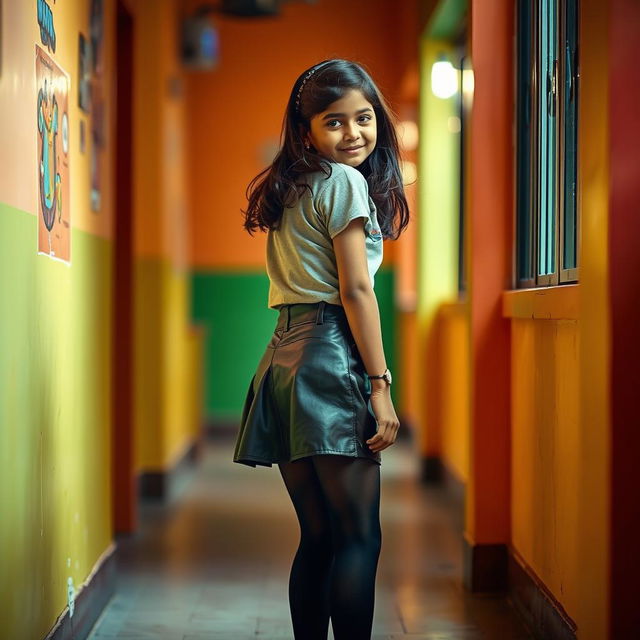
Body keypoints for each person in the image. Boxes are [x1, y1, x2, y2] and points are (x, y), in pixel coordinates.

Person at [232, 58, 409, 640]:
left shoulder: (290, 184)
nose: (353, 133)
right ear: (305, 128)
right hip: (330, 358)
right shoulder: (345, 182)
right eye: (334, 122)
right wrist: (380, 387)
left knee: (319, 537)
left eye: (364, 118)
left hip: (283, 359)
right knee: (359, 536)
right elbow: (357, 290)